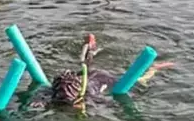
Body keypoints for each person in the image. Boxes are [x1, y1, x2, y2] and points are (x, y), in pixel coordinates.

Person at [44, 33, 172, 108]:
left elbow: (104, 101)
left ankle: (153, 68)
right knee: (87, 67)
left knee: (139, 80)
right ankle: (91, 47)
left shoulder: (89, 93)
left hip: (103, 79)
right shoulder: (56, 90)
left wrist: (86, 105)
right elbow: (44, 94)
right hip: (87, 76)